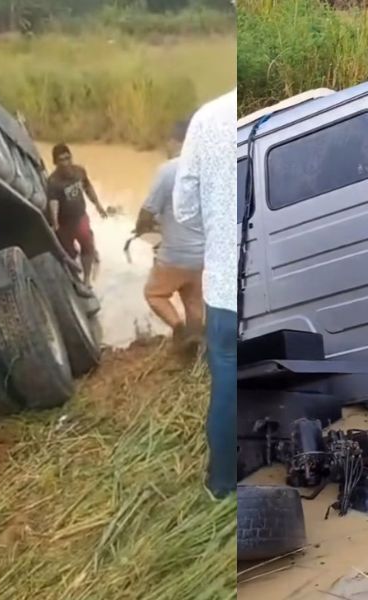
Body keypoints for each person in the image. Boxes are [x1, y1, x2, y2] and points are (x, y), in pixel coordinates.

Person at [172, 88, 239, 500]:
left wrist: (217, 233)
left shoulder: (207, 118)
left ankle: (222, 485)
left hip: (226, 290)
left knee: (227, 386)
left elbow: (184, 208)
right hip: (278, 284)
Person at [135, 119, 203, 350]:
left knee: (154, 293)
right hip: (202, 254)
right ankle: (195, 341)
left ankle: (178, 329)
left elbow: (148, 212)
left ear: (176, 141)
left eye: (168, 141)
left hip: (175, 255)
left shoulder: (168, 170)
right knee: (193, 300)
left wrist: (141, 229)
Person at [46, 143, 108, 286]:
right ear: (55, 163)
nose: (66, 163)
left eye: (68, 158)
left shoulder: (79, 172)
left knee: (87, 245)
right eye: (61, 160)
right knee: (69, 253)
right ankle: (74, 279)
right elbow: (53, 203)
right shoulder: (53, 181)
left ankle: (87, 280)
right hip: (64, 223)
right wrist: (55, 222)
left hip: (80, 217)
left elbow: (88, 187)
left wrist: (98, 205)